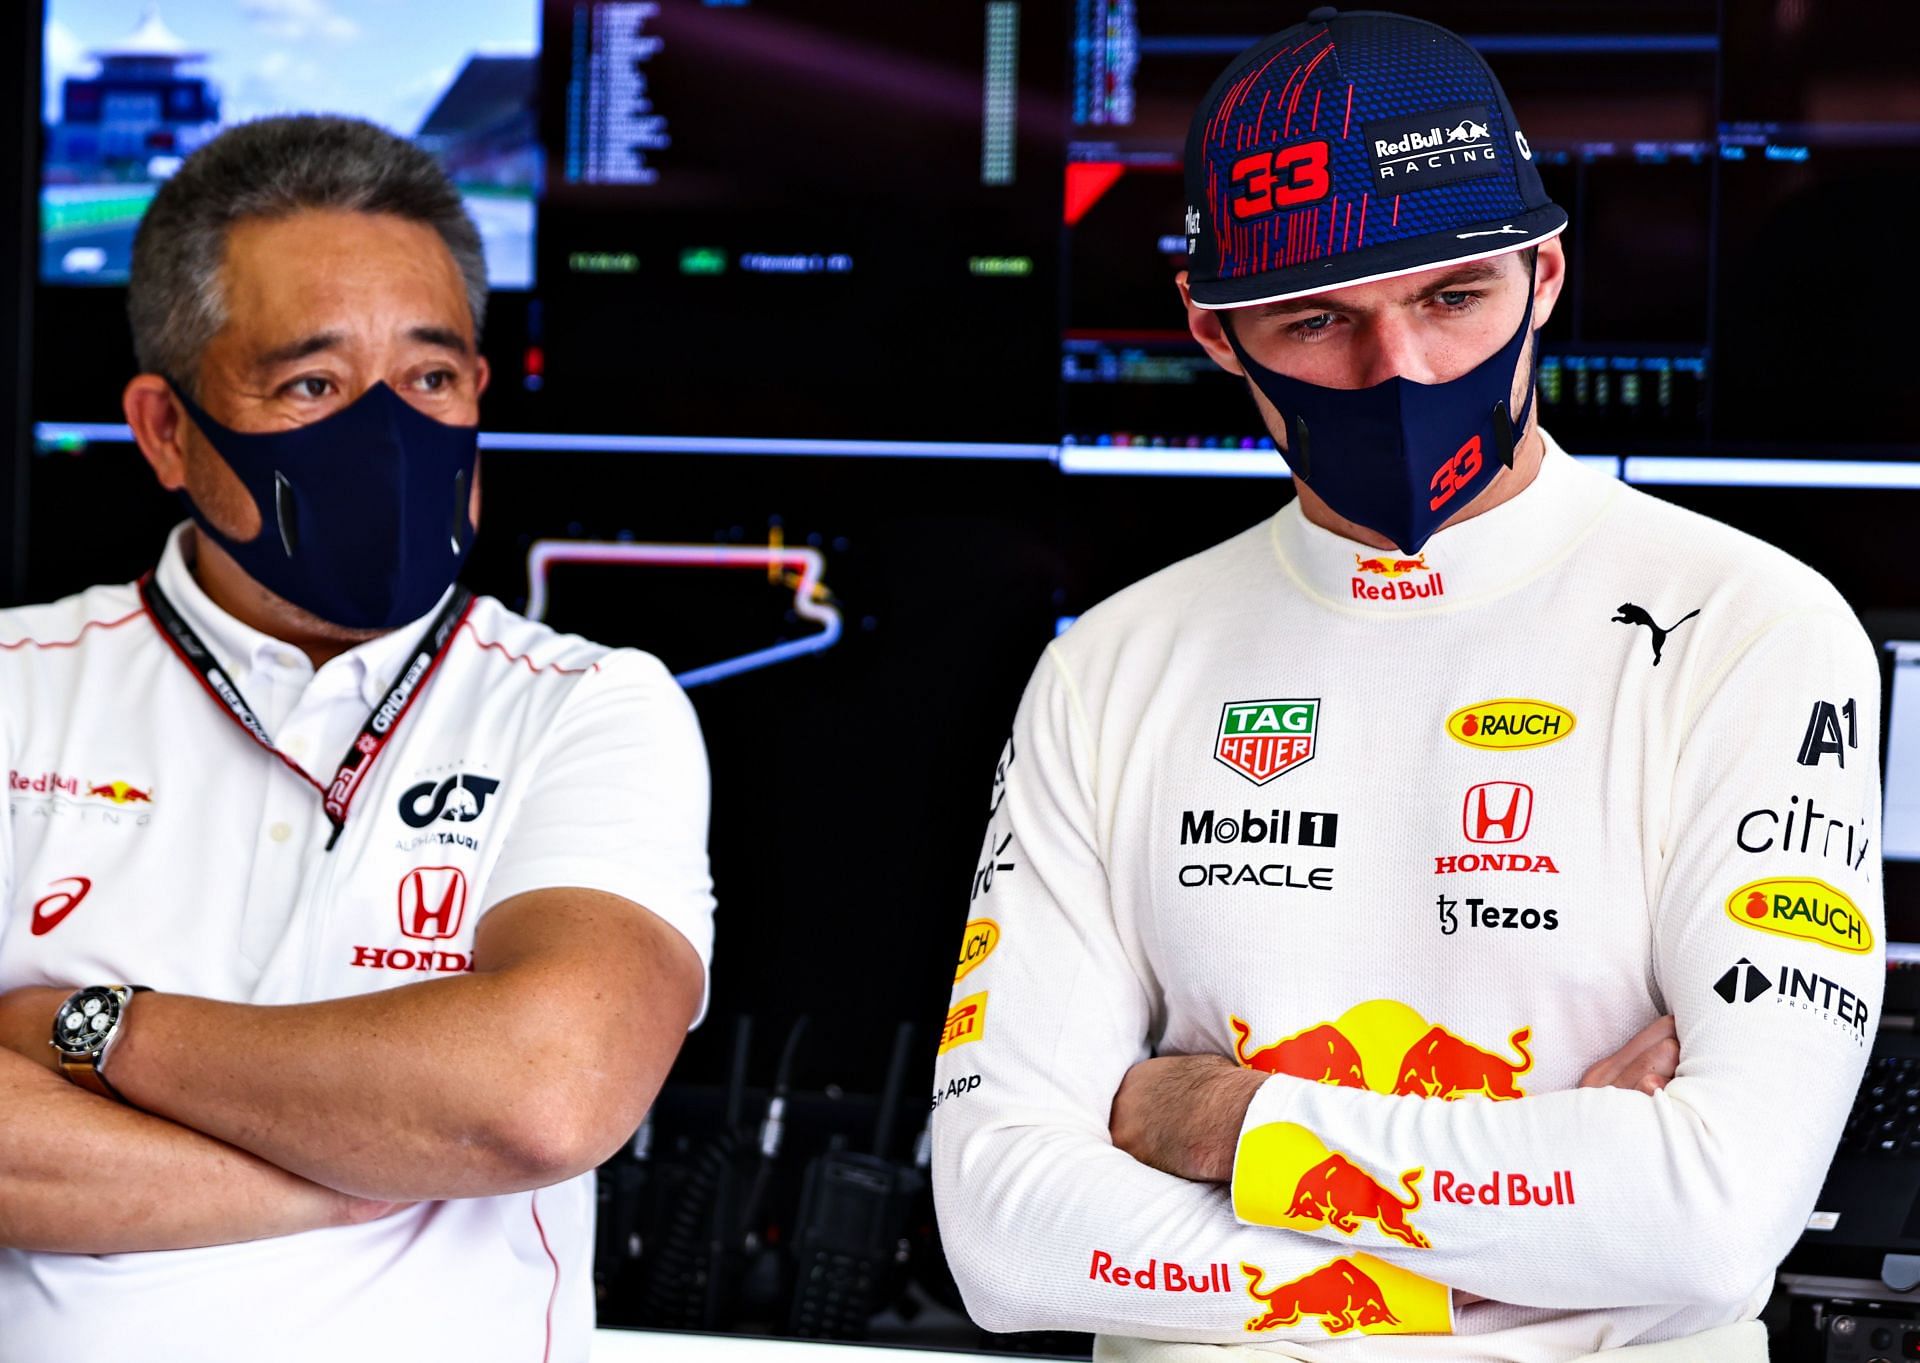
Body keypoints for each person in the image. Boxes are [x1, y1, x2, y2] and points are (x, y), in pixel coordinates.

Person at [931, 10, 1882, 1361]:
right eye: (1317, 319)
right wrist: (1529, 1257)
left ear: (1545, 273)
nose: (1403, 371)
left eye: (1452, 295)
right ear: (1215, 332)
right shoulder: (1111, 664)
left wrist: (1221, 1121)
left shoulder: (1755, 628)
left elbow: (1710, 1222)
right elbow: (1004, 1233)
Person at [0, 116, 715, 1362]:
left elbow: (542, 1096)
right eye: (312, 384)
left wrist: (86, 1027)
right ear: (165, 429)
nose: (386, 434)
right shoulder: (15, 686)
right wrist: (363, 1169)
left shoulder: (591, 706)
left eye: (431, 379)